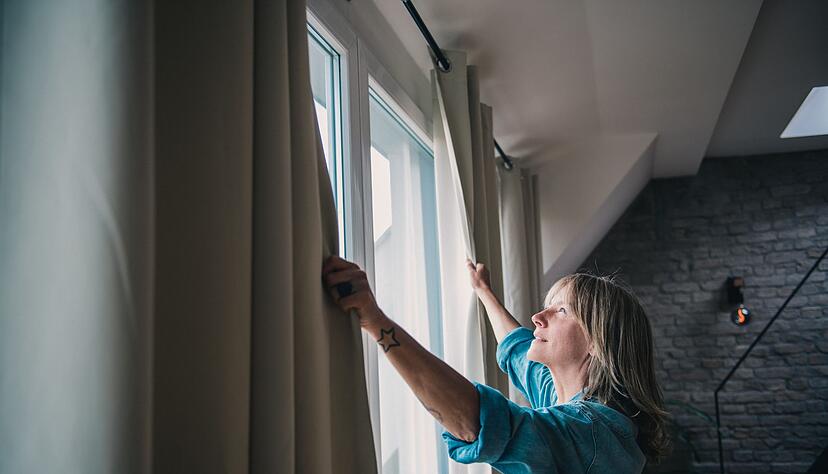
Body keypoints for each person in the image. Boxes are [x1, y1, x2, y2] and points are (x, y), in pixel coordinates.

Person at [322, 255, 670, 473]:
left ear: (597, 341)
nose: (538, 317)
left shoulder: (593, 433)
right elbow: (516, 348)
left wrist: (374, 319)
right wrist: (483, 291)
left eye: (561, 311)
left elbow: (478, 421)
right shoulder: (560, 392)